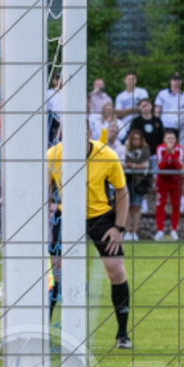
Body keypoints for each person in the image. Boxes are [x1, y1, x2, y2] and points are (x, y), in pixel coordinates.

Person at [47, 133, 131, 346]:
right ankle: (44, 332)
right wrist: (48, 206)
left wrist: (118, 228)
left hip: (101, 217)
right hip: (66, 216)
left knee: (116, 269)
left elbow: (122, 191)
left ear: (88, 134)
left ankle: (122, 334)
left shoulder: (106, 155)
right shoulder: (53, 155)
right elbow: (41, 186)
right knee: (56, 275)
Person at [154, 130, 184, 242]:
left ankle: (174, 230)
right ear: (164, 140)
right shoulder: (160, 148)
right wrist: (168, 153)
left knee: (176, 205)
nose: (170, 141)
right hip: (162, 180)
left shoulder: (180, 149)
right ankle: (160, 231)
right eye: (168, 139)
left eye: (172, 139)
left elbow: (179, 166)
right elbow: (161, 166)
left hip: (175, 180)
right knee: (160, 205)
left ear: (176, 140)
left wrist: (172, 153)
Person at [123, 128, 150, 241]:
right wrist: (137, 165)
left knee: (136, 207)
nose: (136, 141)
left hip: (139, 182)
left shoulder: (145, 150)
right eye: (133, 139)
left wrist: (133, 166)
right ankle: (127, 232)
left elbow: (145, 165)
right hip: (127, 180)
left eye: (138, 139)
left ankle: (135, 232)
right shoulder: (125, 149)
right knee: (127, 207)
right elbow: (124, 164)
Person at [114, 72, 148, 138]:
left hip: (140, 125)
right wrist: (135, 108)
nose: (131, 81)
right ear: (125, 80)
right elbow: (117, 114)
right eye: (129, 79)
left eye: (133, 79)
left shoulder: (142, 92)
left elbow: (144, 108)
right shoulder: (120, 96)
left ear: (136, 81)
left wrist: (124, 111)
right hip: (125, 126)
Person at [46, 74, 62, 144]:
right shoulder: (48, 93)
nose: (59, 81)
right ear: (54, 81)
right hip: (52, 117)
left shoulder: (66, 93)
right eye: (57, 79)